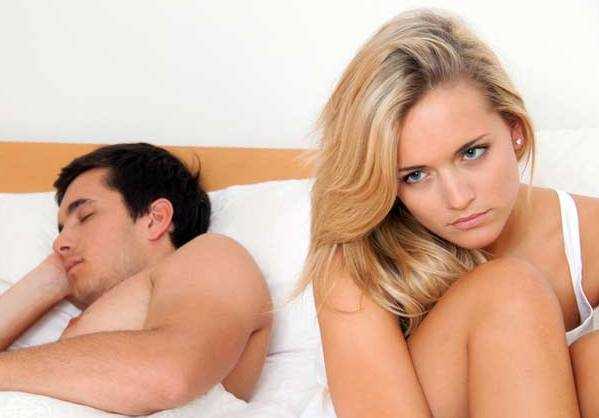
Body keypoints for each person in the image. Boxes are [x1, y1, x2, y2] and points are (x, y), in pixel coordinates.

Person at [296, 8, 599, 418]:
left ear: (515, 130)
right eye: (415, 175)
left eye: (472, 152)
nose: (457, 198)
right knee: (509, 292)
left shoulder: (586, 233)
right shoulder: (355, 261)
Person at [0, 143, 272, 415]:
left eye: (85, 216)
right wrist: (48, 281)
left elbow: (170, 374)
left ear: (155, 219)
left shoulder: (212, 255)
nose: (59, 242)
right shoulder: (111, 310)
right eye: (61, 229)